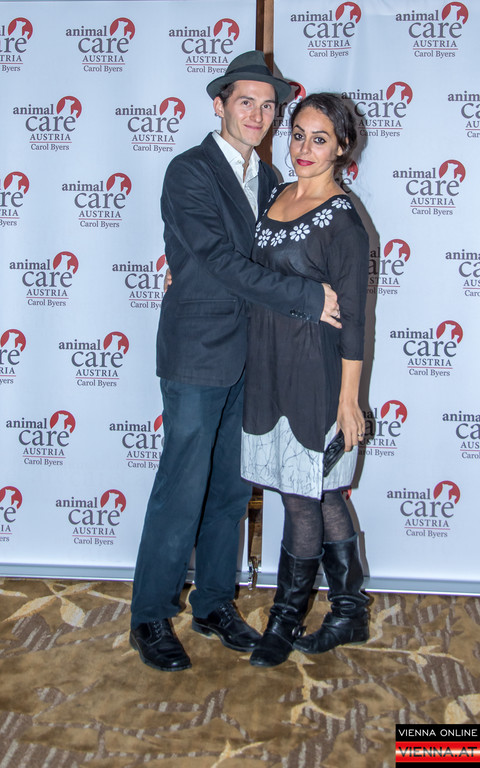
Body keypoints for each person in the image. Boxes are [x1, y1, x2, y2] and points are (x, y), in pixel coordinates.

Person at [130, 53, 342, 672]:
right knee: (181, 489)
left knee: (230, 489)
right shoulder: (188, 171)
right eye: (245, 101)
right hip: (197, 353)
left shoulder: (272, 177)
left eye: (268, 105)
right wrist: (308, 297)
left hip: (254, 356)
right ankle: (149, 617)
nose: (257, 114)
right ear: (219, 105)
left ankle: (215, 604)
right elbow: (220, 261)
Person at [241, 93, 370, 667]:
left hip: (315, 375)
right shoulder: (276, 194)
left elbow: (355, 320)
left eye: (320, 139)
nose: (304, 149)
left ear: (342, 147)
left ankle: (285, 618)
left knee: (301, 498)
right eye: (298, 135)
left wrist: (349, 401)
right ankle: (350, 611)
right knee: (325, 493)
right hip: (269, 366)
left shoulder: (344, 220)